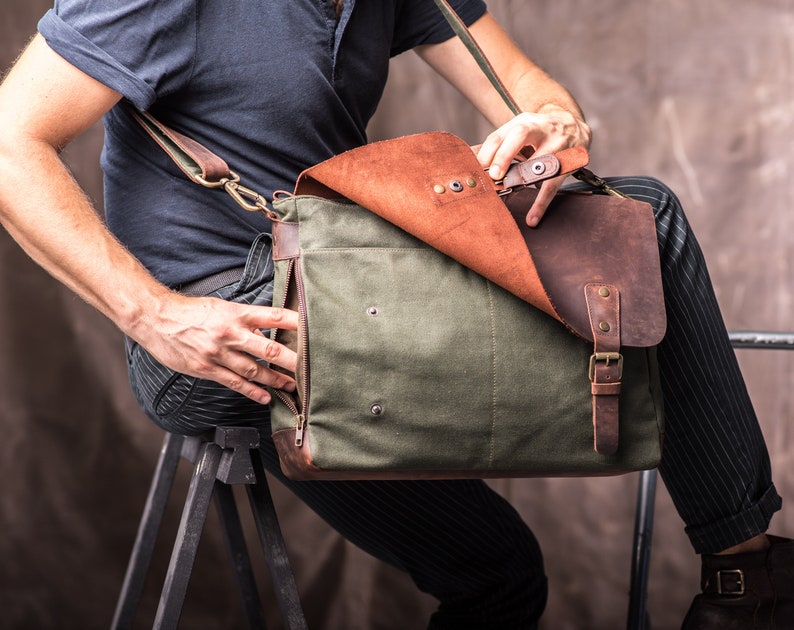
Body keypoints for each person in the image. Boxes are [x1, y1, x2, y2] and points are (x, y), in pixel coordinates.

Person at [0, 1, 790, 628]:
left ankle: (745, 581)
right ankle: (748, 578)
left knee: (499, 574)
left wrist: (557, 126)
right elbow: (9, 143)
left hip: (345, 299)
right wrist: (155, 316)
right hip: (226, 332)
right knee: (642, 217)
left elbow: (527, 88)